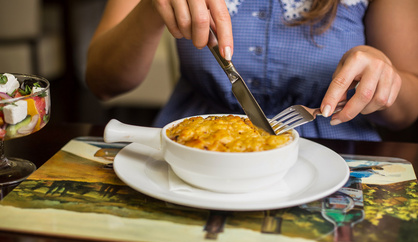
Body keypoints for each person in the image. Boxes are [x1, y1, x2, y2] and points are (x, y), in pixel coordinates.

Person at [86, 0, 418, 141]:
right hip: (194, 145)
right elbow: (102, 82)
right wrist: (150, 8)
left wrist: (387, 80)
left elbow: (408, 111)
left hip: (340, 154)